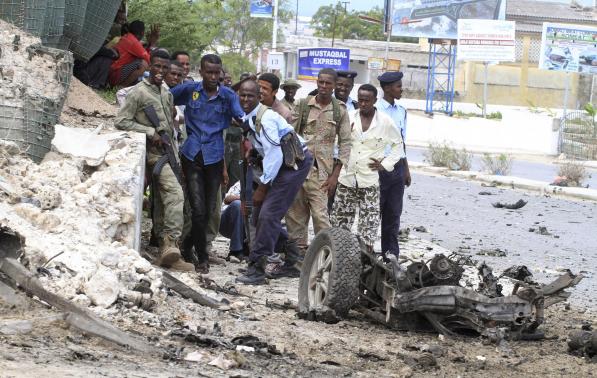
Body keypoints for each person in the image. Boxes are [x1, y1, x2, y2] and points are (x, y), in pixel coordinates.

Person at [114, 49, 194, 272]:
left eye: (164, 68)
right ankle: (170, 244)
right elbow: (121, 121)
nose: (160, 71)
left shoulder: (166, 93)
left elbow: (169, 127)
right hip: (152, 154)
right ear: (149, 66)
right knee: (175, 195)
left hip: (168, 152)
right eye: (156, 66)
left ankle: (164, 252)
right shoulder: (138, 93)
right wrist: (150, 131)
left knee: (163, 201)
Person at [170, 54, 244, 274]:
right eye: (209, 72)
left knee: (209, 209)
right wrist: (169, 118)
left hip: (214, 157)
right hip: (191, 155)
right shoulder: (190, 90)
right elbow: (165, 98)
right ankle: (201, 257)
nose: (213, 76)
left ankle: (187, 245)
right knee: (197, 209)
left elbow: (241, 117)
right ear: (201, 71)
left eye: (217, 72)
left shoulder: (228, 96)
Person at [235, 79, 313, 285]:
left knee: (268, 214)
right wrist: (254, 150)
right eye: (242, 95)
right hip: (284, 162)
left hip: (294, 162)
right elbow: (265, 146)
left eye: (250, 95)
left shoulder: (265, 118)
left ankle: (257, 270)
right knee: (261, 215)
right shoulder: (251, 117)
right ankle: (294, 260)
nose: (245, 99)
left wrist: (263, 187)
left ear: (259, 97)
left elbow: (275, 155)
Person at [330, 84, 404, 251]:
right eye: (361, 100)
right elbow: (337, 145)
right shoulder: (348, 117)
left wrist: (384, 165)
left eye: (367, 101)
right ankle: (337, 260)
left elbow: (398, 146)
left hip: (369, 181)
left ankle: (365, 264)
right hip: (347, 178)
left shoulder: (385, 122)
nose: (363, 104)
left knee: (368, 226)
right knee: (339, 224)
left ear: (374, 101)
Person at [286, 68, 352, 254]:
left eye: (328, 83)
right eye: (321, 82)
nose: (323, 86)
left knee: (321, 217)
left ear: (334, 86)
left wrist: (335, 176)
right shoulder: (303, 104)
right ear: (317, 82)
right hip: (298, 170)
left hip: (322, 174)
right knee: (295, 217)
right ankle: (297, 259)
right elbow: (289, 135)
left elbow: (346, 143)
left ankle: (324, 258)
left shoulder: (339, 110)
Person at [376, 71, 411, 257]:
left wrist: (406, 169)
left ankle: (391, 257)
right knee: (374, 212)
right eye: (398, 86)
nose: (401, 89)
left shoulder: (402, 111)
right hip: (379, 167)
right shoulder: (375, 110)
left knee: (393, 214)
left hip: (397, 168)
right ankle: (367, 254)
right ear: (388, 88)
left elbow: (402, 141)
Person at [109, 20, 159, 88]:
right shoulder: (134, 42)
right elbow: (149, 61)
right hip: (114, 74)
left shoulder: (127, 37)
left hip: (111, 71)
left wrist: (149, 43)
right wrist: (153, 43)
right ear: (142, 32)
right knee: (143, 64)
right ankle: (120, 87)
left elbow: (143, 51)